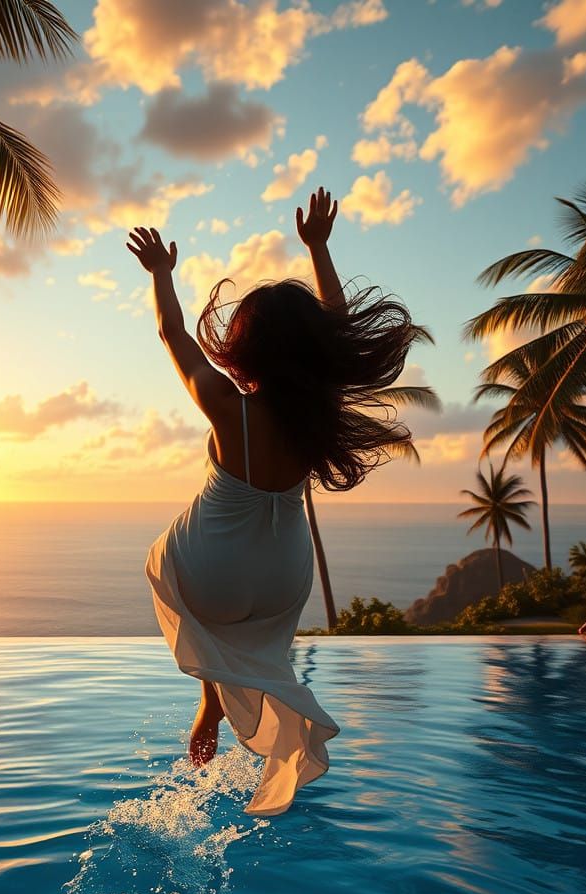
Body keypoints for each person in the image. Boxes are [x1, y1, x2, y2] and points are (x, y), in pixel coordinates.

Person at [127, 188, 428, 815]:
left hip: (212, 565)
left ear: (246, 349)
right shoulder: (319, 410)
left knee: (162, 559)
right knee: (256, 636)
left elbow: (171, 332)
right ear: (314, 349)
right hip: (284, 575)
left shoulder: (226, 405)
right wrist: (320, 248)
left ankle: (210, 702)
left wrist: (161, 274)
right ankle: (220, 702)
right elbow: (337, 323)